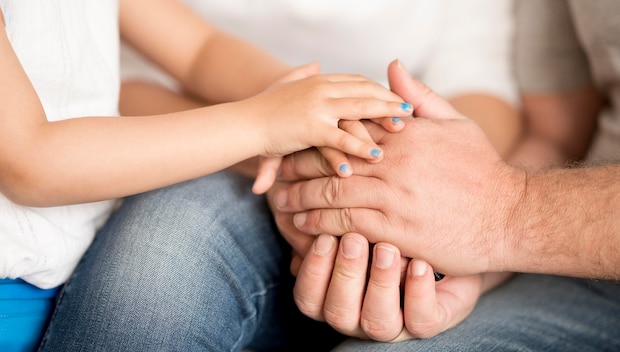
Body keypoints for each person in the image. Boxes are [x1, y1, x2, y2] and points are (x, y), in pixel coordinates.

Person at [0, 1, 415, 351]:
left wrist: (302, 98)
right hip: (13, 301)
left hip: (82, 272)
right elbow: (32, 162)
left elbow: (200, 50)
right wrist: (266, 122)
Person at [271, 1, 620, 350]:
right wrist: (459, 257)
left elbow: (508, 204)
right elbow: (557, 136)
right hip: (576, 272)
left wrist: (504, 213)